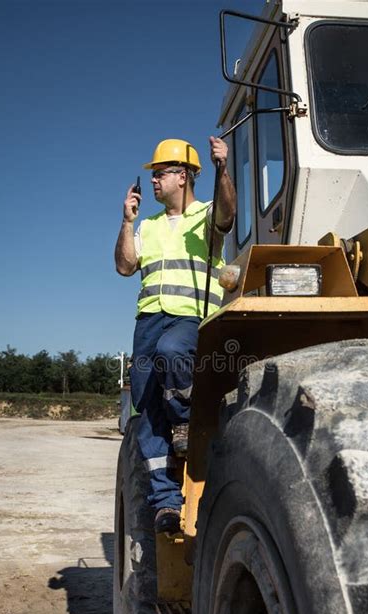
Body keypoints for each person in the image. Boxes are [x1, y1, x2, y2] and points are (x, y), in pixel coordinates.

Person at [115, 137, 236, 534]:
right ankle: (166, 503)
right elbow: (124, 266)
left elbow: (227, 215)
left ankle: (185, 423)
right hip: (148, 322)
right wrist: (128, 221)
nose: (153, 181)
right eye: (152, 174)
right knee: (145, 410)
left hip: (190, 320)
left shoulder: (204, 215)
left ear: (182, 177)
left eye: (160, 173)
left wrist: (222, 170)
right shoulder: (147, 226)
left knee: (172, 352)